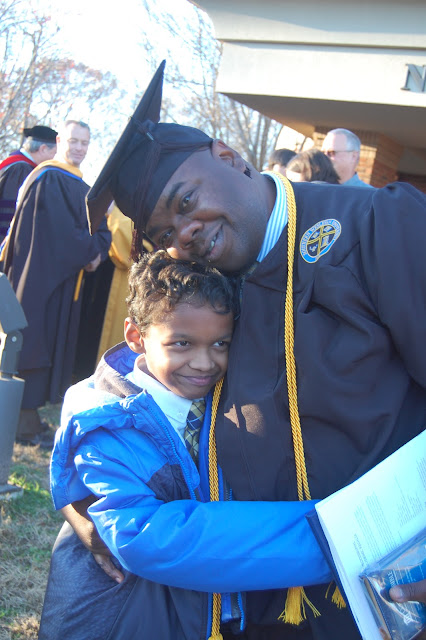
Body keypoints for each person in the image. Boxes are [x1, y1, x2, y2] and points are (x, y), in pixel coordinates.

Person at [50, 62, 426, 639]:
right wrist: (81, 489)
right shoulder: (208, 289)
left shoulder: (376, 224)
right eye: (164, 235)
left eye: (184, 201)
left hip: (387, 592)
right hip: (251, 606)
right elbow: (127, 382)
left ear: (228, 156)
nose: (183, 233)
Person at [39, 250, 331, 640]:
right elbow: (146, 535)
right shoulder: (106, 425)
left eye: (220, 343)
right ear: (136, 337)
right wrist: (329, 537)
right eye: (182, 344)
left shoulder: (224, 400)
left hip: (199, 612)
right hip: (121, 613)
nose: (204, 363)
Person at [2, 120, 110, 447]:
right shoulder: (49, 177)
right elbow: (62, 234)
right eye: (74, 141)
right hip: (40, 278)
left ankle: (27, 418)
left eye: (85, 143)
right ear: (60, 140)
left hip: (58, 276)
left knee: (42, 340)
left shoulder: (75, 181)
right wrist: (93, 251)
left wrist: (98, 249)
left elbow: (98, 228)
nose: (79, 148)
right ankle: (22, 423)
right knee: (34, 340)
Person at [0, 125, 57, 244]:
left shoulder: (14, 164)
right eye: (54, 153)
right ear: (43, 149)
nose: (55, 159)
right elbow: (10, 213)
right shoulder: (21, 169)